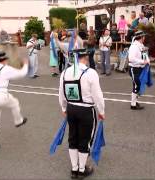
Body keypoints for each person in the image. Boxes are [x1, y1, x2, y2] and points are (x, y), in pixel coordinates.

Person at [59, 48, 105, 179]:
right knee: (85, 139)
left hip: (71, 109)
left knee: (73, 138)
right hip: (86, 110)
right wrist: (101, 111)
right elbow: (98, 95)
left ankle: (74, 169)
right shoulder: (90, 73)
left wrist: (63, 108)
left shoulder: (65, 72)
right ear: (85, 58)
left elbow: (61, 93)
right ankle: (81, 169)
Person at [0, 53, 29, 153]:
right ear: (4, 60)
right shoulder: (5, 68)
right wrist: (25, 64)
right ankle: (18, 121)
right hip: (1, 96)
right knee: (15, 102)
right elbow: (21, 74)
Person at [128, 31, 150, 110]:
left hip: (140, 68)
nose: (144, 38)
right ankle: (133, 104)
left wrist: (148, 60)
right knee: (137, 86)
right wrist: (142, 62)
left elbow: (144, 54)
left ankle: (134, 102)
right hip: (134, 69)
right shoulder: (134, 46)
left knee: (138, 86)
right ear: (141, 37)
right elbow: (131, 59)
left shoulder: (141, 45)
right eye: (143, 36)